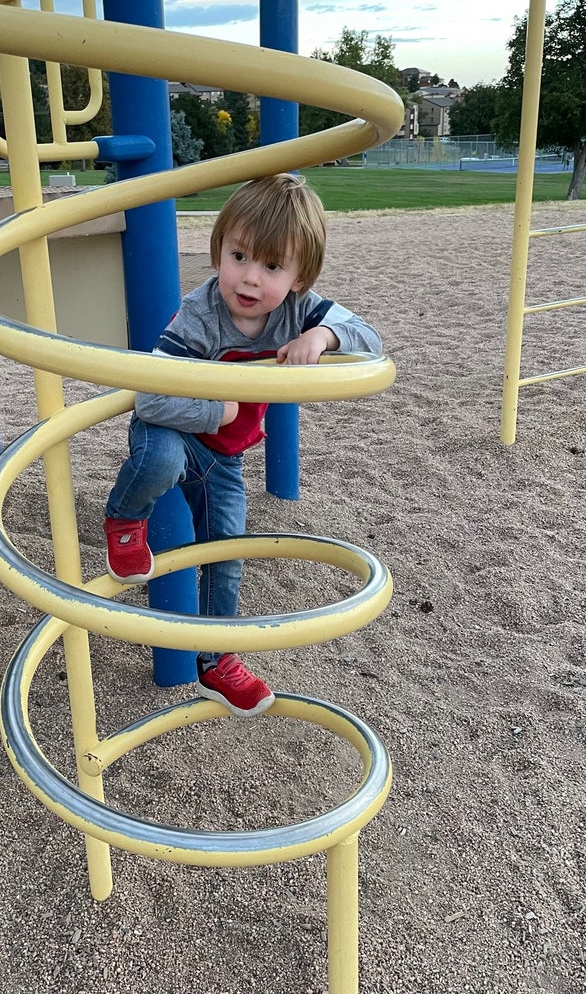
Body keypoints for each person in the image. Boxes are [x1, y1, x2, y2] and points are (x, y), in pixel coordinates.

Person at [103, 173, 382, 717]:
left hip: (224, 459)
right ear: (218, 252)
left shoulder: (299, 311)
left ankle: (216, 661)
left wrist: (322, 336)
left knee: (227, 553)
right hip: (174, 431)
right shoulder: (200, 314)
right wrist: (220, 408)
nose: (250, 278)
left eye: (273, 266)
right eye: (239, 257)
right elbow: (150, 400)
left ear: (300, 278)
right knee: (160, 459)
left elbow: (370, 338)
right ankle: (124, 517)